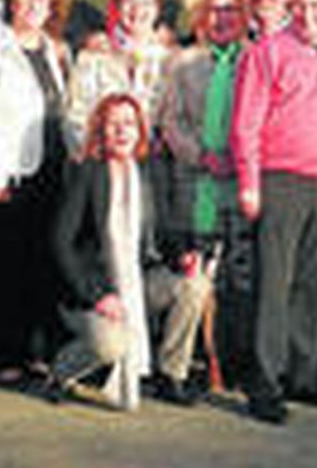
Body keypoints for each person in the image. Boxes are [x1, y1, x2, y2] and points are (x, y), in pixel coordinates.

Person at [230, 0, 317, 423]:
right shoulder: (267, 53)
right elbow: (245, 123)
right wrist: (249, 182)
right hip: (279, 180)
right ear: (289, 6)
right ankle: (265, 381)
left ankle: (304, 372)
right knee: (274, 286)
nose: (310, 14)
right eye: (301, 4)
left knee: (312, 285)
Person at [49, 93, 212, 410]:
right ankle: (61, 372)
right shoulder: (86, 172)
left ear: (140, 130)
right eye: (113, 124)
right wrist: (98, 295)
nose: (122, 131)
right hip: (92, 291)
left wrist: (182, 254)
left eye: (129, 123)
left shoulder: (150, 170)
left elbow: (166, 229)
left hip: (140, 281)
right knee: (110, 345)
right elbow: (62, 244)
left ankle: (170, 373)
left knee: (196, 286)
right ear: (100, 131)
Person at [0, 0, 69, 385]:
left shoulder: (52, 50)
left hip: (49, 168)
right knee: (7, 266)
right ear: (11, 2)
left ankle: (38, 353)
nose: (32, 6)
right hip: (9, 171)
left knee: (42, 262)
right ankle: (9, 354)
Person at [158, 0, 252, 384]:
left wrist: (241, 159)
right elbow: (170, 120)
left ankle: (237, 360)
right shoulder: (181, 63)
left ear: (245, 16)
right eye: (214, 10)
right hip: (195, 182)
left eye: (231, 9)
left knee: (240, 275)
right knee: (198, 273)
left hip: (241, 180)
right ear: (201, 17)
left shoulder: (255, 59)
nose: (222, 18)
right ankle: (193, 361)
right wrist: (200, 155)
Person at [65, 0, 176, 151]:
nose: (137, 9)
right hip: (103, 165)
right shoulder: (91, 59)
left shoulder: (172, 60)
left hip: (159, 167)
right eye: (129, 1)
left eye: (146, 2)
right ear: (115, 7)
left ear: (157, 9)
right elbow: (74, 118)